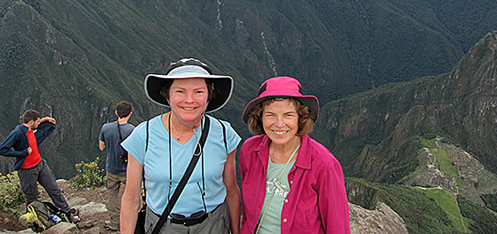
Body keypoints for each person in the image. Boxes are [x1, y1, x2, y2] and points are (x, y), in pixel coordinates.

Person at [120, 58, 241, 234]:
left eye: (198, 91)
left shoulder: (224, 133)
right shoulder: (143, 136)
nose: (189, 100)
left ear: (209, 94)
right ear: (167, 94)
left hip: (213, 225)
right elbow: (131, 199)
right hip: (164, 226)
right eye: (180, 91)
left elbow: (231, 190)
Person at [239, 76, 351, 234]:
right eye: (270, 115)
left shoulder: (323, 164)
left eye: (288, 115)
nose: (279, 124)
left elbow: (337, 227)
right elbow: (248, 217)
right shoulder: (250, 151)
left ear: (301, 118)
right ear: (259, 118)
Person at [0, 110, 79, 222]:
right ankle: (34, 221)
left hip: (40, 164)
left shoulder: (30, 129)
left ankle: (67, 212)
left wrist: (45, 119)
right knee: (31, 198)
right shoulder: (18, 133)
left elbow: (42, 126)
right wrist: (22, 153)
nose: (39, 124)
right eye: (37, 122)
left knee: (54, 190)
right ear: (32, 122)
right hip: (27, 170)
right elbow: (2, 149)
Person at [99, 101, 135, 231]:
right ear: (130, 114)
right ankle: (132, 222)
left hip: (111, 169)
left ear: (116, 113)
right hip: (127, 170)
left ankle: (114, 223)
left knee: (113, 196)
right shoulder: (132, 130)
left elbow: (101, 147)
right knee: (131, 196)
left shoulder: (106, 128)